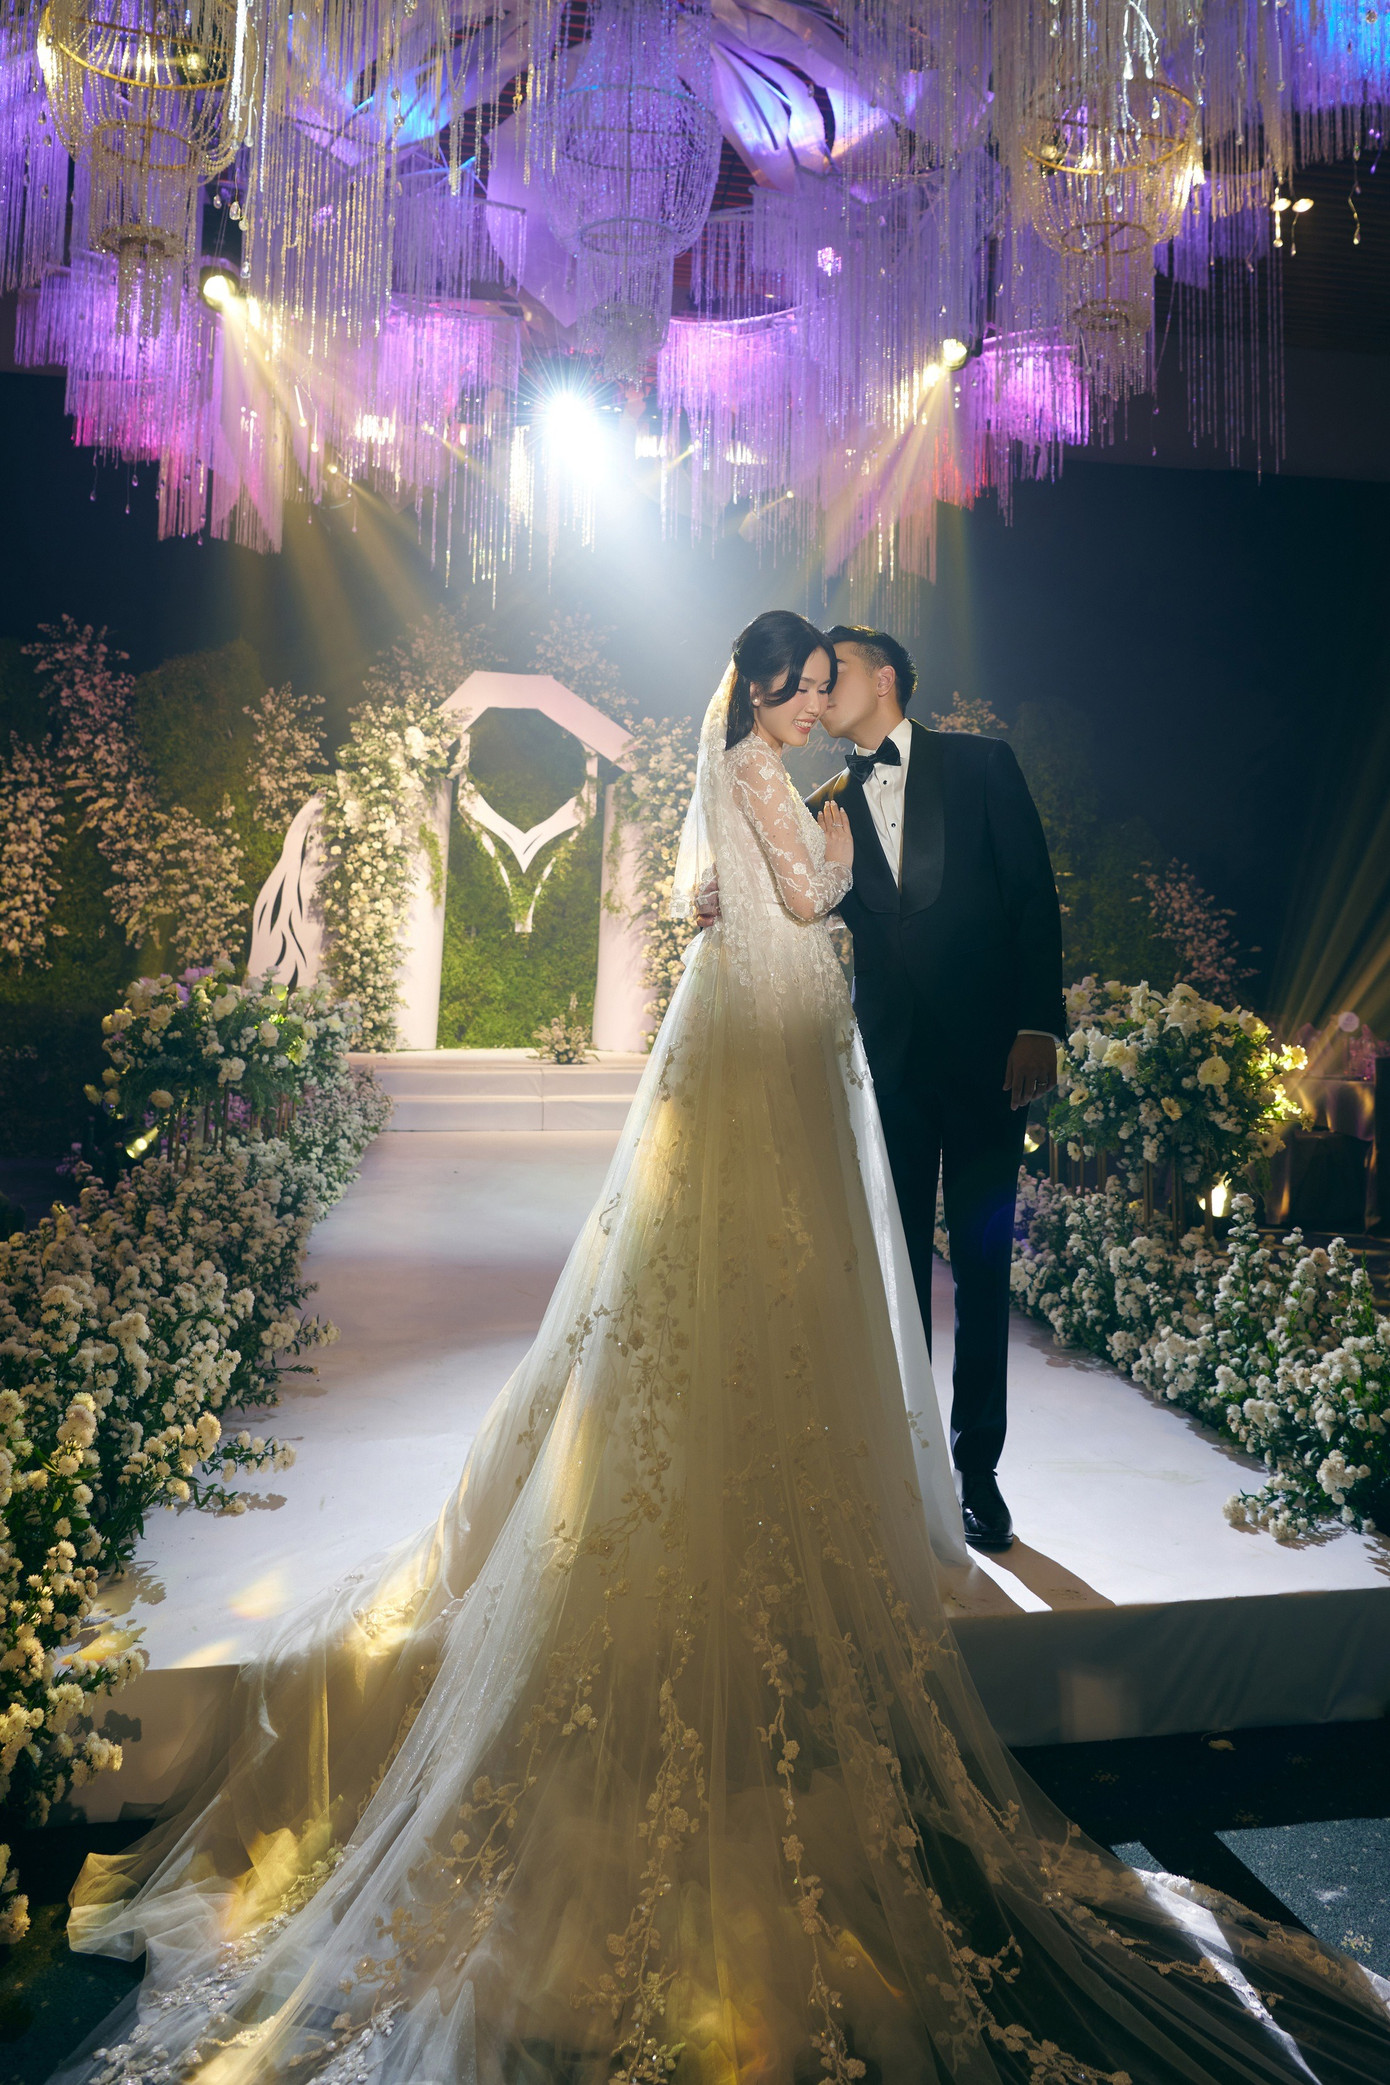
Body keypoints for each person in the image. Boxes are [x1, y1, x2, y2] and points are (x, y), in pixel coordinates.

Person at [55, 615, 1389, 2085]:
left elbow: (915, 895)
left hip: (808, 1035)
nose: (820, 699)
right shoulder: (774, 771)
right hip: (784, 1043)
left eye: (832, 680)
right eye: (804, 682)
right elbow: (813, 891)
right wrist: (825, 839)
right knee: (778, 1268)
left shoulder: (838, 765)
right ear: (767, 688)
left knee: (818, 1270)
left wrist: (937, 957)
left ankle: (951, 1474)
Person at [807, 627, 1063, 1554]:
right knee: (898, 1269)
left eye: (833, 672)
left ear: (884, 679)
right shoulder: (824, 803)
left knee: (986, 1271)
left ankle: (978, 1470)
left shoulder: (984, 765)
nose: (817, 689)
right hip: (891, 1066)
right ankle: (905, 1465)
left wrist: (1038, 1025)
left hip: (995, 1061)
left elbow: (1032, 896)